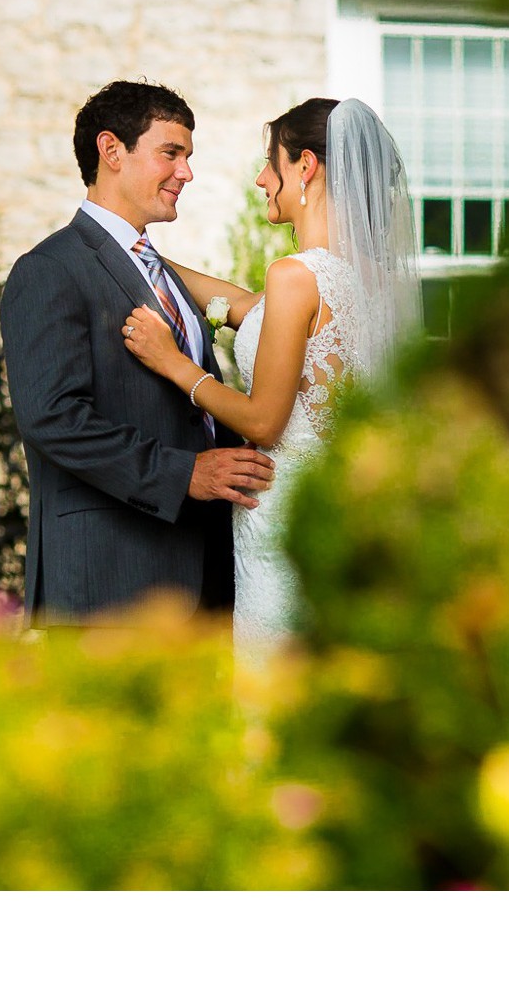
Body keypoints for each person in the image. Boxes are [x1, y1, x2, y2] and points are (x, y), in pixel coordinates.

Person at [122, 97, 418, 659]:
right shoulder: (373, 282)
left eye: (271, 163)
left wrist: (173, 363)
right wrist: (140, 253)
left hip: (280, 516)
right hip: (342, 511)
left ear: (304, 166)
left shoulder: (295, 276)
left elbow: (265, 420)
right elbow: (242, 307)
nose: (262, 179)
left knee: (273, 680)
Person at [0, 80, 276, 627]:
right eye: (171, 153)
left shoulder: (164, 274)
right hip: (111, 576)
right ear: (112, 151)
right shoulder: (50, 269)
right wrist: (184, 475)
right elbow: (53, 419)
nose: (186, 173)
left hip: (205, 571)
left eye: (188, 157)